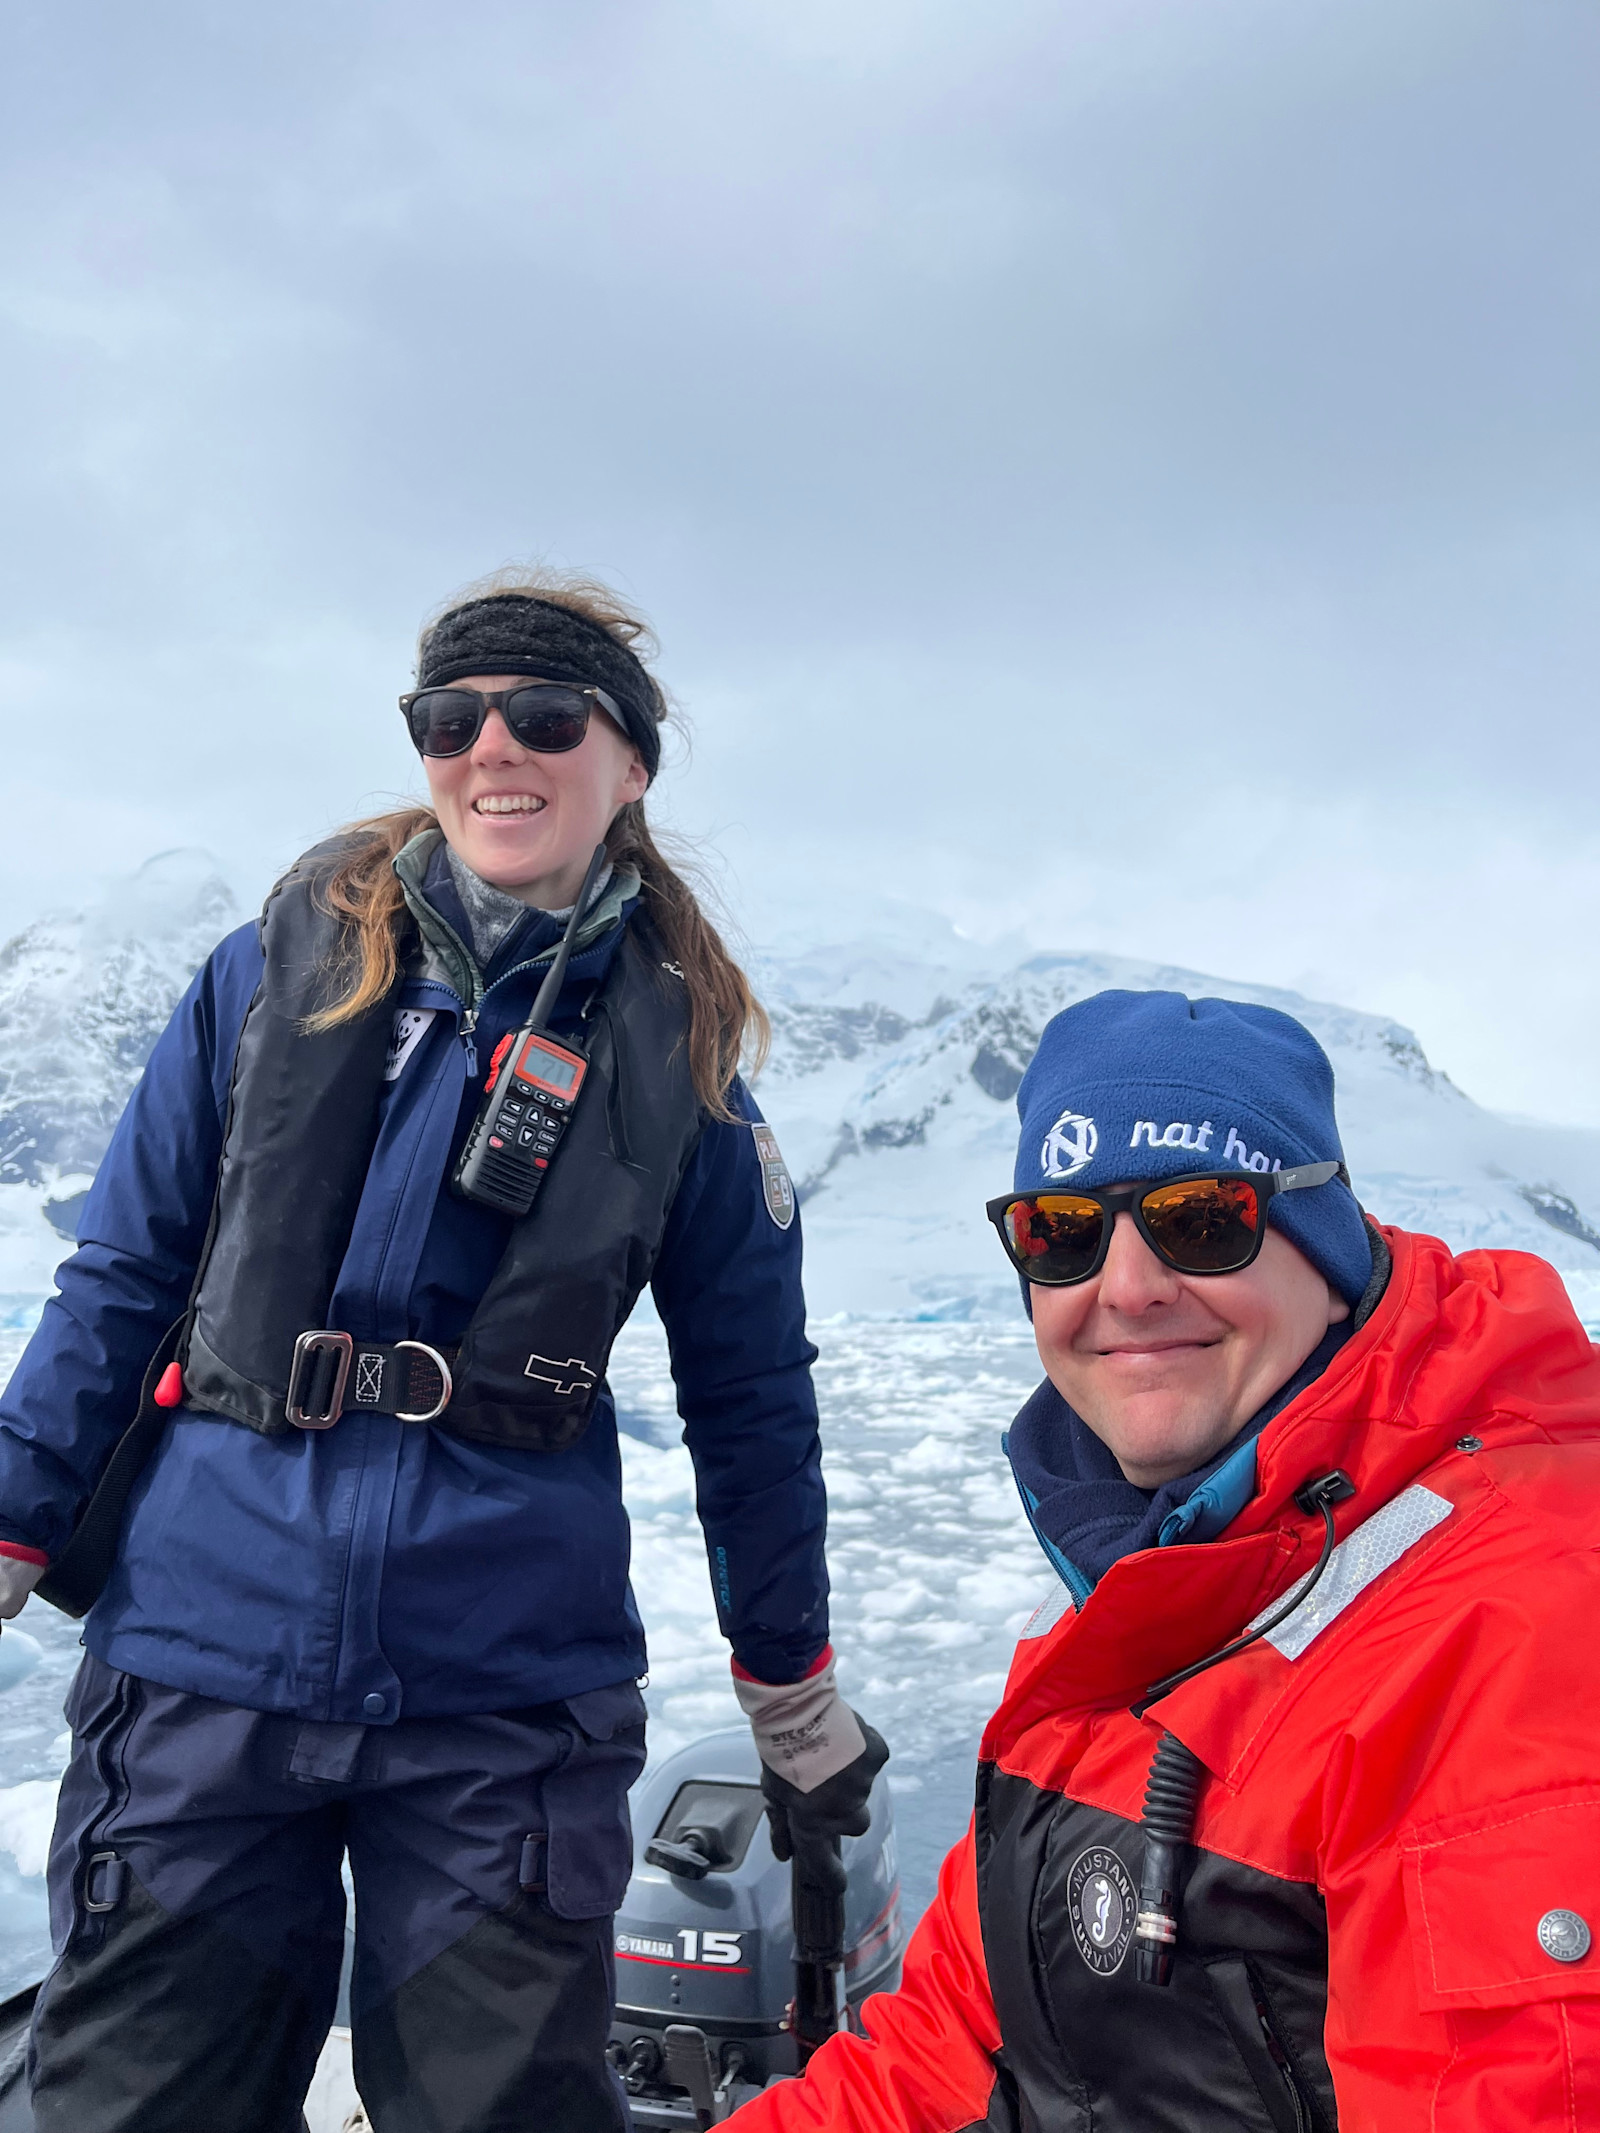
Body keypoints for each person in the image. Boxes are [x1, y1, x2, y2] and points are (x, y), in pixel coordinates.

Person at [0, 572, 885, 2133]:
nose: (496, 749)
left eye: (547, 717)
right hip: (204, 1659)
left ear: (629, 766)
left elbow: (751, 1400)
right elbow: (124, 1272)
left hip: (504, 1700)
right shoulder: (270, 974)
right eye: (451, 719)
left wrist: (789, 1680)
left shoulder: (682, 1059)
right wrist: (12, 1516)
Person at [731, 989, 1600, 2131]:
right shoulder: (1150, 1591)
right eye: (1063, 1232)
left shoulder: (1520, 1622)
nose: (1127, 1288)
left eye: (1201, 1220)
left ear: (1327, 1250)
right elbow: (940, 2066)